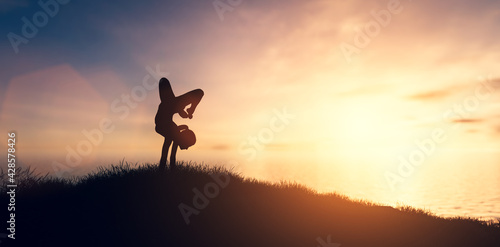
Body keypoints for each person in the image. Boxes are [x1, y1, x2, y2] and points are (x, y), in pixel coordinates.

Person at [155, 78, 204, 170]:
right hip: (162, 124)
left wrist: (185, 111)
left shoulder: (175, 132)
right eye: (187, 145)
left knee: (170, 135)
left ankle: (161, 169)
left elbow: (199, 93)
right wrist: (188, 110)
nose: (186, 149)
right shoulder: (175, 135)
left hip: (166, 121)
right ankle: (161, 169)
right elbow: (172, 156)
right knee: (169, 138)